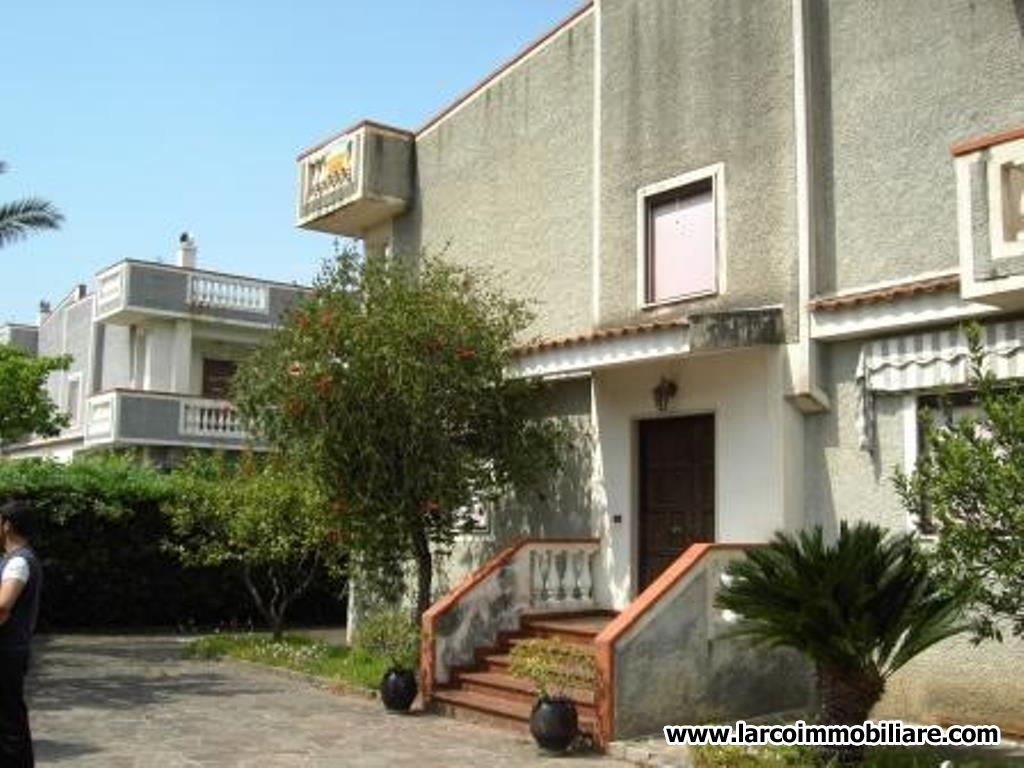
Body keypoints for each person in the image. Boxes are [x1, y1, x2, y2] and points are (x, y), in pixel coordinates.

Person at [0, 498, 43, 767]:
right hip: (10, 650)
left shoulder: (19, 562)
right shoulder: (11, 560)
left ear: (7, 526)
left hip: (7, 652)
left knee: (8, 720)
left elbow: (3, 606)